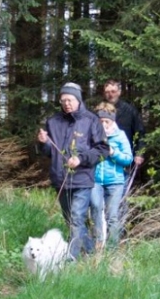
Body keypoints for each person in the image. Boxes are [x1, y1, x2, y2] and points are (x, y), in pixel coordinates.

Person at [37, 83, 109, 260]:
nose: (66, 103)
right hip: (60, 179)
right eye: (63, 100)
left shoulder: (91, 120)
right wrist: (42, 142)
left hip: (82, 179)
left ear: (78, 99)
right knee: (71, 221)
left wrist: (81, 159)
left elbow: (103, 150)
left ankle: (71, 260)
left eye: (70, 100)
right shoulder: (53, 121)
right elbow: (48, 152)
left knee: (77, 218)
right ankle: (92, 253)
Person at [89, 102, 133, 249]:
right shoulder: (92, 136)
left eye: (106, 121)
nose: (104, 125)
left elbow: (128, 159)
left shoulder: (120, 136)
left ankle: (113, 249)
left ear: (112, 121)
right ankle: (98, 244)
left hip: (115, 181)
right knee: (95, 209)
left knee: (112, 216)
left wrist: (113, 153)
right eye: (100, 122)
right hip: (95, 180)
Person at [102, 79, 146, 167]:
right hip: (104, 159)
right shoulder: (100, 111)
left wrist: (139, 153)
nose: (110, 94)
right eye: (107, 92)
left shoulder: (130, 110)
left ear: (119, 92)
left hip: (125, 157)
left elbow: (140, 133)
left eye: (113, 91)